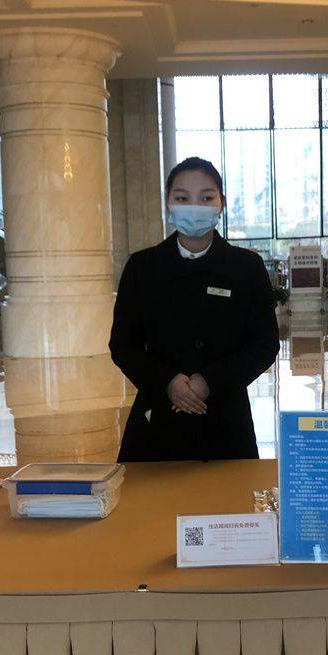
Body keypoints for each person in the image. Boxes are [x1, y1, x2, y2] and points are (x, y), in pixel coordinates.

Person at [109, 157, 279, 462]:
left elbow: (264, 344)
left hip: (226, 421)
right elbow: (123, 345)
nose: (194, 207)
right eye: (182, 198)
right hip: (156, 421)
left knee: (228, 493)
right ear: (168, 202)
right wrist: (167, 381)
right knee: (150, 494)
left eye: (206, 197)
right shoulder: (142, 267)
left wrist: (209, 381)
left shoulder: (246, 268)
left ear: (221, 203)